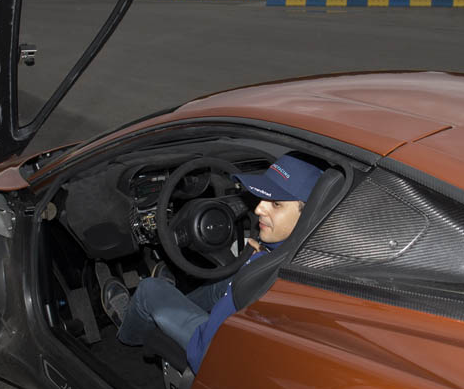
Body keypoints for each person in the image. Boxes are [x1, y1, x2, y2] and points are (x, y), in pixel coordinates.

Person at [100, 154, 322, 373]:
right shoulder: (308, 254)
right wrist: (265, 253)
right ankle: (171, 301)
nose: (257, 209)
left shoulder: (266, 274)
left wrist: (255, 262)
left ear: (308, 214)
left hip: (211, 351)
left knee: (149, 289)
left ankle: (127, 332)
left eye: (276, 204)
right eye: (262, 198)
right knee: (224, 282)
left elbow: (206, 351)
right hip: (241, 328)